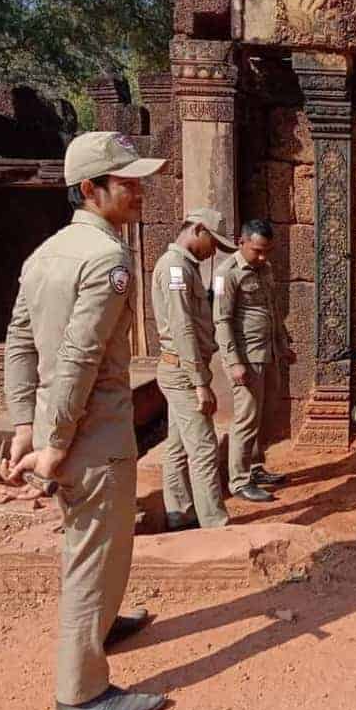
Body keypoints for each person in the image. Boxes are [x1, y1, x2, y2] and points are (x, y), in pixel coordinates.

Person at [1, 132, 166, 710]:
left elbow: (19, 344)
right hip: (90, 435)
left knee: (99, 545)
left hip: (65, 425)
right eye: (127, 182)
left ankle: (101, 623)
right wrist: (52, 444)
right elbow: (79, 355)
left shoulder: (46, 254)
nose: (139, 190)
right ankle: (82, 691)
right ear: (91, 190)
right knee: (93, 553)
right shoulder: (107, 259)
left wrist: (26, 422)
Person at [151, 207, 238, 530]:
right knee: (203, 448)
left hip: (182, 369)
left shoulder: (185, 268)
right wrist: (200, 381)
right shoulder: (175, 268)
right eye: (213, 243)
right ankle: (214, 522)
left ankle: (179, 512)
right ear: (197, 229)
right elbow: (182, 327)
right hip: (183, 373)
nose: (213, 251)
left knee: (177, 444)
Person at [214, 218, 290, 502]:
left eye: (267, 251)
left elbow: (272, 309)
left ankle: (256, 467)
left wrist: (283, 345)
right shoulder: (226, 274)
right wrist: (233, 362)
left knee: (266, 412)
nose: (262, 257)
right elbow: (221, 321)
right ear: (241, 242)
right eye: (257, 250)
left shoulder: (265, 268)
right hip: (246, 359)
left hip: (268, 353)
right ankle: (239, 480)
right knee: (246, 418)